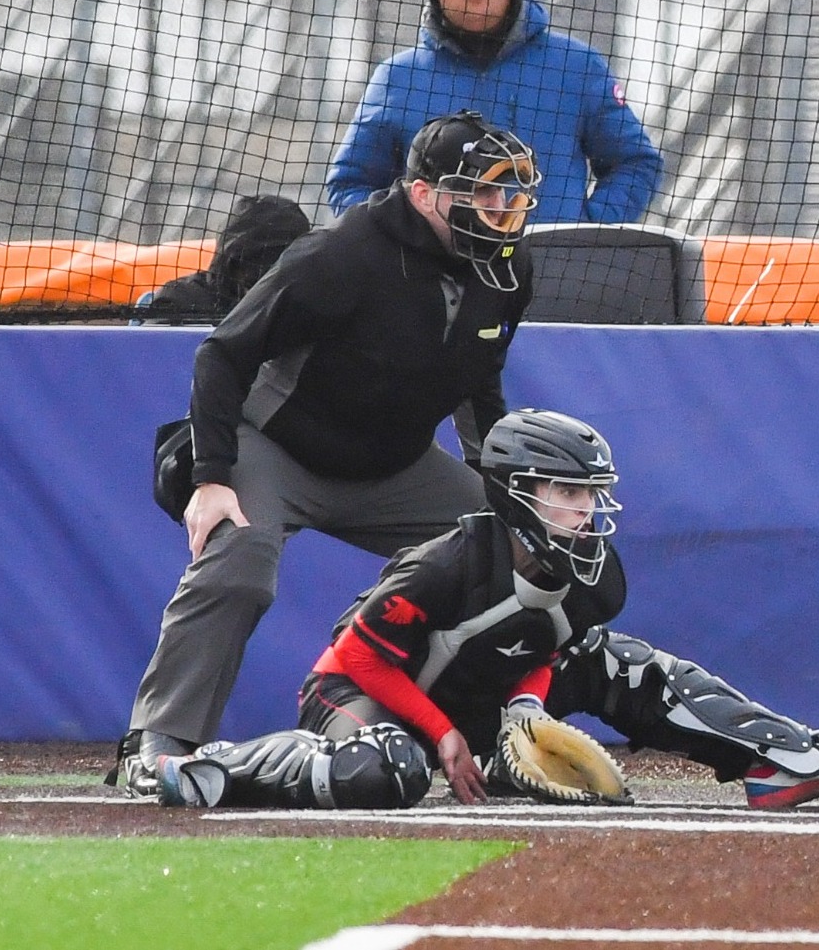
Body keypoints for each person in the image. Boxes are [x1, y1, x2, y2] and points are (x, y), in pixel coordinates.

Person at [147, 410, 819, 811]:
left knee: (619, 660)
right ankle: (216, 766)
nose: (584, 510)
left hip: (473, 701)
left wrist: (523, 715)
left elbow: (547, 644)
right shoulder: (449, 558)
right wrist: (441, 737)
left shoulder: (591, 573)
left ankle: (775, 756)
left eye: (590, 494)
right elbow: (354, 657)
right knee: (383, 773)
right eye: (566, 493)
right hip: (365, 697)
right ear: (517, 494)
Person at [110, 110, 541, 794]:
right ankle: (157, 743)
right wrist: (212, 477)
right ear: (426, 195)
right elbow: (224, 353)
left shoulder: (509, 268)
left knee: (507, 555)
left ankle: (483, 737)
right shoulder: (342, 253)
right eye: (483, 191)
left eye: (511, 192)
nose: (502, 207)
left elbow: (479, 377)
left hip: (396, 463)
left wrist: (501, 486)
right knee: (241, 561)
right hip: (278, 446)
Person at [324, 0, 664, 224]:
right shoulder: (399, 78)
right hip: (432, 283)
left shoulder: (575, 67)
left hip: (550, 278)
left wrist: (584, 232)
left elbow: (636, 163)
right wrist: (404, 245)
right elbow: (351, 184)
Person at [138, 194, 311, 324]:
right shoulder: (181, 301)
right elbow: (153, 362)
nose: (267, 277)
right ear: (232, 264)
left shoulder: (308, 305)